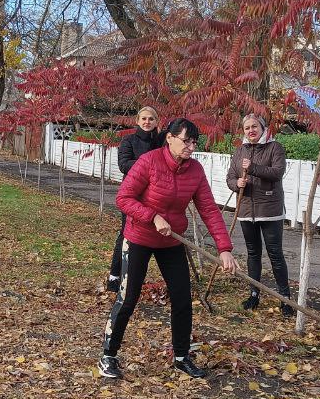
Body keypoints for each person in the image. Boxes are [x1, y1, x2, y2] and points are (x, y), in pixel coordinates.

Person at [101, 117, 237, 380]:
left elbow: (208, 209)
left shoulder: (195, 170)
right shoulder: (149, 162)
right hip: (139, 237)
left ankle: (181, 356)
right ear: (170, 138)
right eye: (186, 140)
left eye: (194, 142)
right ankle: (108, 355)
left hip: (171, 240)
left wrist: (224, 248)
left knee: (183, 299)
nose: (191, 146)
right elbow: (123, 198)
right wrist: (152, 216)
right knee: (128, 298)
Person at [225, 114, 293, 317]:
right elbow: (230, 177)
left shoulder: (275, 148)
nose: (251, 130)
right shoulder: (240, 151)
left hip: (269, 210)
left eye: (255, 126)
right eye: (247, 128)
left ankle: (285, 299)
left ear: (263, 128)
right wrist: (236, 184)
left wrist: (252, 168)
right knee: (253, 253)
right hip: (246, 210)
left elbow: (277, 173)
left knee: (275, 254)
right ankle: (254, 293)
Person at [107, 105, 163, 292]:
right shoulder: (128, 140)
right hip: (132, 194)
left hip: (155, 195)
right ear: (138, 121)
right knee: (126, 234)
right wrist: (148, 165)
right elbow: (124, 164)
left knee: (152, 239)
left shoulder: (161, 142)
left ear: (156, 122)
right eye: (144, 119)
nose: (147, 122)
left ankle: (135, 277)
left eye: (151, 119)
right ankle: (115, 276)